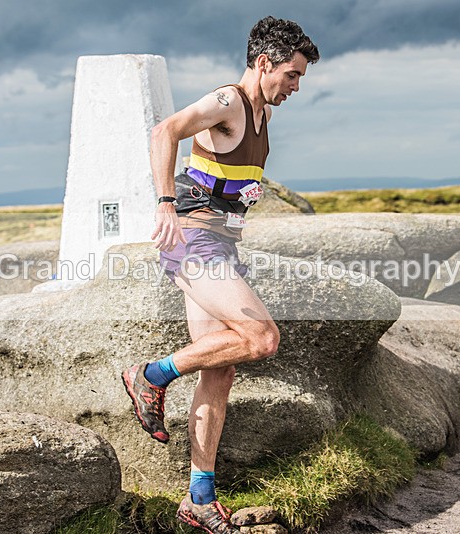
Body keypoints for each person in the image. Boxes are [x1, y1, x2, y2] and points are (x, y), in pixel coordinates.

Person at [121, 17, 319, 533]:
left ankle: (199, 499)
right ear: (264, 63)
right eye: (292, 75)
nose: (296, 86)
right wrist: (165, 203)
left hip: (219, 246)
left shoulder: (261, 114)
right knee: (261, 337)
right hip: (192, 240)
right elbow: (165, 130)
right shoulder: (229, 101)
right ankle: (151, 374)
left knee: (221, 370)